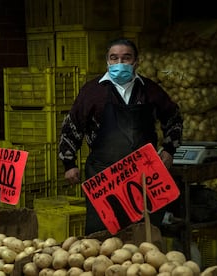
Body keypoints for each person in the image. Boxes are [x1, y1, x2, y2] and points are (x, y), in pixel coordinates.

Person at [58, 37, 183, 235]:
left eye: (126, 58)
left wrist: (169, 150)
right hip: (103, 175)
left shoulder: (150, 90)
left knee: (147, 234)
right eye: (114, 58)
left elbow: (173, 118)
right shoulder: (92, 92)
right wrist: (69, 163)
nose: (119, 63)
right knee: (103, 236)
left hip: (143, 175)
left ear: (136, 62)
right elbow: (72, 126)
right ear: (107, 62)